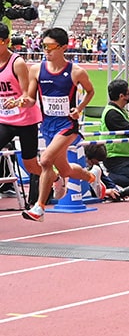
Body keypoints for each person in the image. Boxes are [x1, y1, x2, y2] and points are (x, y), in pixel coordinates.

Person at [22, 27, 98, 221]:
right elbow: (31, 98)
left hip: (67, 125)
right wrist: (22, 101)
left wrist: (79, 108)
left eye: (51, 47)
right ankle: (92, 177)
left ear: (64, 47)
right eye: (44, 46)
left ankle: (39, 207)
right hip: (47, 125)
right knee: (65, 170)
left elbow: (90, 92)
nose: (46, 50)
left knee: (46, 160)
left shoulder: (76, 72)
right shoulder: (37, 70)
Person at [0, 22, 42, 209]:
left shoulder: (17, 63)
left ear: (6, 41)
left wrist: (18, 101)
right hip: (5, 120)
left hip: (25, 120)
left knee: (31, 165)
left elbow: (28, 95)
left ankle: (54, 177)